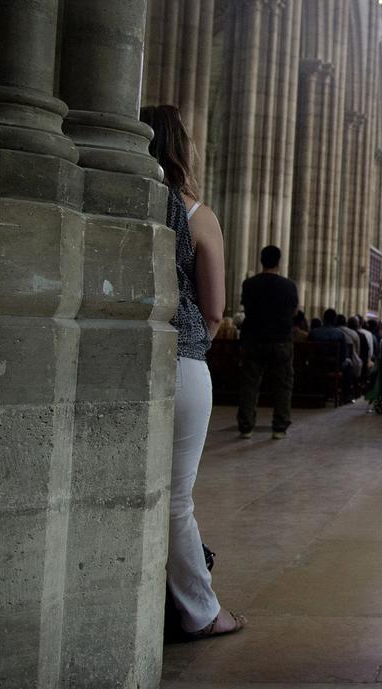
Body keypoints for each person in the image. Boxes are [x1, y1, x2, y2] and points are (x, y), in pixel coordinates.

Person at [141, 105, 244, 638]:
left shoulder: (123, 199)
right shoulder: (197, 213)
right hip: (181, 360)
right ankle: (202, 611)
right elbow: (214, 309)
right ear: (184, 148)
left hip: (122, 360)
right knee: (175, 497)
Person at [236, 246, 299, 440]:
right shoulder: (288, 286)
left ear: (261, 260)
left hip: (254, 339)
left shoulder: (249, 284)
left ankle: (246, 427)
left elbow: (245, 307)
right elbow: (295, 311)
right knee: (282, 385)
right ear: (279, 262)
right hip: (281, 340)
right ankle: (279, 427)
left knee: (249, 384)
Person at [309, 308, 353, 401]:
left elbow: (309, 351)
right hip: (333, 367)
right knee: (349, 364)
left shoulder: (313, 333)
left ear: (323, 319)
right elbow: (343, 355)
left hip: (316, 366)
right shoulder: (340, 334)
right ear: (334, 320)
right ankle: (346, 396)